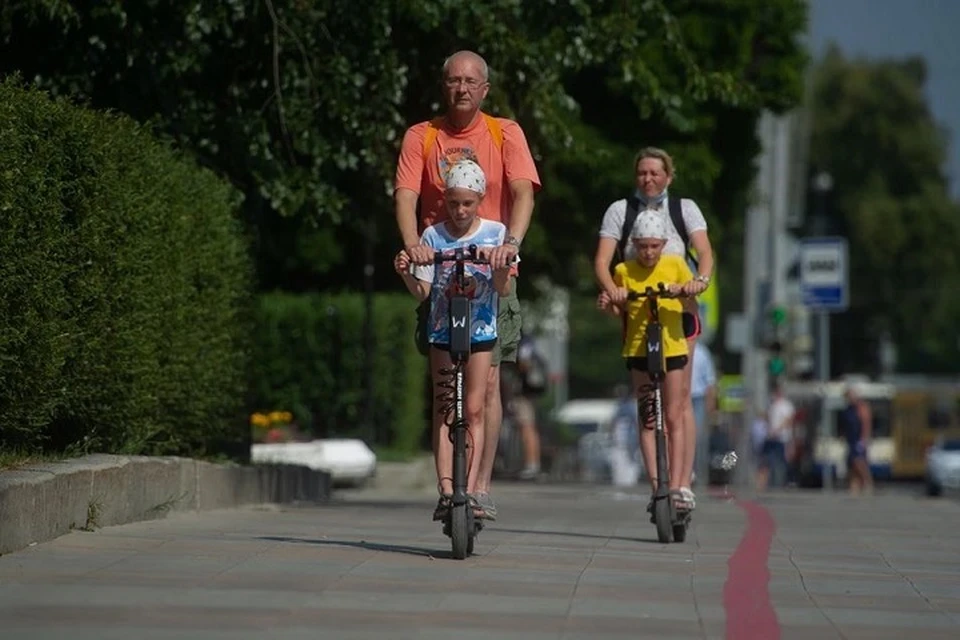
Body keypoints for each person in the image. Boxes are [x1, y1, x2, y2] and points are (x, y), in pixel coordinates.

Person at [394, 50, 541, 520]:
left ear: (484, 90)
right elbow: (406, 195)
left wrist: (510, 245)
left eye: (470, 81)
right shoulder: (424, 135)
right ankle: (446, 486)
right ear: (445, 86)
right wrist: (413, 247)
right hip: (438, 266)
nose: (461, 88)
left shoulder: (505, 132)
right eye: (453, 80)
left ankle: (477, 486)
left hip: (492, 268)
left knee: (489, 380)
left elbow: (522, 193)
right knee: (444, 386)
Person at [592, 147, 715, 509]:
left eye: (655, 173)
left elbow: (704, 252)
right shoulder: (620, 211)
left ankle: (682, 482)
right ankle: (659, 486)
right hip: (639, 312)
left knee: (679, 402)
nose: (648, 179)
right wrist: (611, 290)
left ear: (668, 177)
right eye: (642, 173)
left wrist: (700, 280)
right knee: (647, 404)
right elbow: (603, 259)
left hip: (680, 311)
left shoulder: (684, 209)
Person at [393, 160, 513, 522]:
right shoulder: (432, 236)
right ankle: (446, 491)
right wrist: (406, 270)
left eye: (467, 203)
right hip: (443, 329)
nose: (460, 211)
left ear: (480, 199)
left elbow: (503, 287)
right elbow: (423, 292)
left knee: (474, 409)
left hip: (480, 330)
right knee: (446, 409)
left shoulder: (496, 232)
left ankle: (473, 490)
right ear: (444, 200)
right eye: (453, 203)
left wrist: (500, 262)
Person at [597, 210, 700, 512]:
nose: (649, 252)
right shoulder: (624, 270)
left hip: (672, 346)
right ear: (635, 244)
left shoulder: (675, 265)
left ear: (664, 244)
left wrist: (687, 289)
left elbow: (691, 302)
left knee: (674, 414)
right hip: (639, 348)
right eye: (643, 246)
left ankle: (680, 484)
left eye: (654, 246)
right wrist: (609, 302)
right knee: (648, 417)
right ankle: (657, 486)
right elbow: (619, 310)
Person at [513, 335, 546, 480]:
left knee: (527, 427)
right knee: (528, 427)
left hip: (525, 392)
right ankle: (531, 463)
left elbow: (524, 362)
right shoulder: (528, 341)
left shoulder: (523, 343)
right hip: (530, 391)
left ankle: (532, 464)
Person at [690, 341, 718, 486]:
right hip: (681, 396)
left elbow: (710, 381)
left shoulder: (702, 352)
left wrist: (710, 403)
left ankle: (694, 471)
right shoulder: (678, 347)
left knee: (697, 436)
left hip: (698, 398)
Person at [841, 383, 874, 495]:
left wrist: (864, 439)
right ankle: (854, 486)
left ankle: (868, 482)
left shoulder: (861, 408)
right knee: (851, 464)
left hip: (858, 439)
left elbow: (866, 424)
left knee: (859, 462)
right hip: (850, 439)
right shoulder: (847, 409)